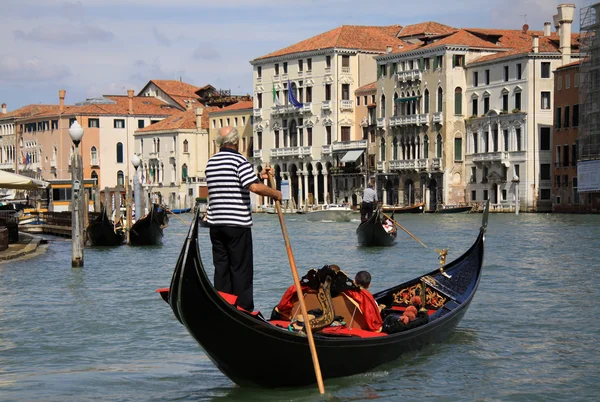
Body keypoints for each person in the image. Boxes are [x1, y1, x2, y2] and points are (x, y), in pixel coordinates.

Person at [206, 126, 282, 311]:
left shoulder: (211, 163)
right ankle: (243, 310)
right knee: (241, 270)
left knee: (222, 270)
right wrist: (275, 193)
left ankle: (224, 306)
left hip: (216, 225)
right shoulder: (239, 160)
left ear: (219, 143)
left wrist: (259, 177)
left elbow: (233, 182)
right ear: (236, 142)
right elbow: (253, 188)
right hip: (237, 225)